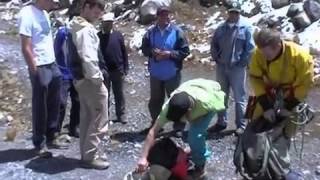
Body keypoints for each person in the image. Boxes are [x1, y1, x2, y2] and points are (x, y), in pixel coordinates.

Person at [248, 28, 313, 179]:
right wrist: (266, 106)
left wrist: (288, 107)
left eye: (267, 53)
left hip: (292, 96)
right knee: (257, 125)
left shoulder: (300, 57)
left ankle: (280, 167)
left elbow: (305, 84)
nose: (263, 56)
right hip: (267, 93)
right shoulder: (259, 53)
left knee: (286, 131)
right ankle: (259, 163)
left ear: (277, 46)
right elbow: (255, 77)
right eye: (262, 52)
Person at [136, 78, 225, 179]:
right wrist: (143, 157)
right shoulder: (168, 108)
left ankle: (200, 169)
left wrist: (198, 134)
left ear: (189, 111)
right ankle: (191, 151)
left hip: (209, 95)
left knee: (195, 136)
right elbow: (153, 132)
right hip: (191, 89)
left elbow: (221, 102)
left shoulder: (207, 103)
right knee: (194, 140)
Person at [18, 0, 67, 157]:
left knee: (55, 101)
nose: (55, 2)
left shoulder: (45, 13)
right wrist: (35, 70)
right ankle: (39, 143)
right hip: (39, 66)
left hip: (52, 64)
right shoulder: (27, 14)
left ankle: (52, 135)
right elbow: (26, 46)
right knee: (40, 106)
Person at [69, 0, 109, 169]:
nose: (98, 12)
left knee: (87, 117)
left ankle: (87, 153)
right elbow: (88, 57)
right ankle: (90, 157)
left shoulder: (76, 26)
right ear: (85, 7)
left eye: (101, 9)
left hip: (80, 79)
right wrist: (97, 79)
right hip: (90, 81)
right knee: (99, 119)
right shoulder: (86, 30)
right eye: (95, 8)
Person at [209, 0, 255, 135]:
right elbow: (213, 44)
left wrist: (243, 62)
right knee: (220, 95)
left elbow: (250, 48)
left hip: (237, 68)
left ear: (239, 13)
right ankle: (221, 122)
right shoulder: (221, 28)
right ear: (228, 13)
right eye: (232, 12)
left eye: (236, 12)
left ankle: (241, 125)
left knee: (239, 97)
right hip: (222, 67)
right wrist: (216, 57)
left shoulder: (245, 28)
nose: (234, 15)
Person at [141, 6, 190, 132]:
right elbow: (144, 49)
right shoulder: (150, 32)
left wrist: (169, 54)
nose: (165, 18)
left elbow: (185, 51)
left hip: (172, 73)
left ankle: (178, 126)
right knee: (155, 101)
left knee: (176, 101)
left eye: (167, 15)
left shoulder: (178, 32)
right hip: (156, 74)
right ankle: (157, 125)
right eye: (162, 15)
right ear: (157, 17)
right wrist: (153, 53)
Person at [98, 12, 128, 124]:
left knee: (119, 94)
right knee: (105, 94)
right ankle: (105, 116)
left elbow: (124, 52)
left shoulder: (118, 35)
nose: (108, 25)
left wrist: (125, 67)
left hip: (118, 70)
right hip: (104, 71)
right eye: (106, 23)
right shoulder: (98, 37)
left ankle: (121, 115)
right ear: (102, 23)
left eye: (110, 22)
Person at [54, 23, 80, 138]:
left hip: (76, 73)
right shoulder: (62, 33)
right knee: (61, 102)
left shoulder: (80, 33)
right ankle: (56, 128)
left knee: (77, 101)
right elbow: (55, 51)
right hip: (63, 73)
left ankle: (74, 127)